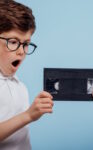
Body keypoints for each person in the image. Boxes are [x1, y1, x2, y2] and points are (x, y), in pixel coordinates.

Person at [0, 1, 53, 150]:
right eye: (13, 42)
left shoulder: (20, 86)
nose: (21, 51)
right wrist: (28, 116)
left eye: (26, 44)